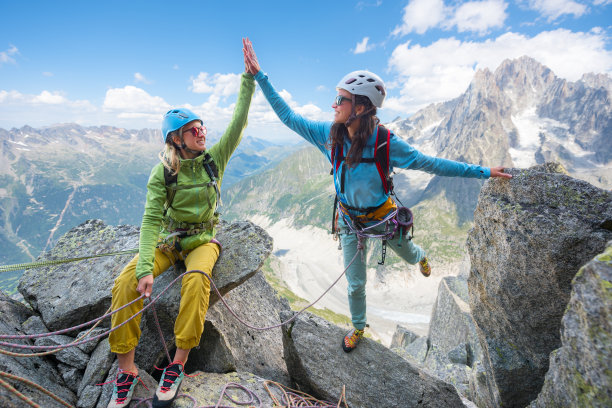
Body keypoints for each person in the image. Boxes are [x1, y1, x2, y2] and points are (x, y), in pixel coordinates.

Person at [242, 38, 511, 353]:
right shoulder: (331, 136)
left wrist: (483, 172)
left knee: (409, 254)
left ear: (359, 107)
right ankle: (358, 328)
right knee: (356, 284)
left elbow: (432, 164)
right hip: (349, 223)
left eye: (340, 99)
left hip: (383, 219)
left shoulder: (386, 143)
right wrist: (260, 76)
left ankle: (421, 255)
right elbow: (289, 118)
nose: (333, 104)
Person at [106, 51, 256, 408]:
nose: (201, 131)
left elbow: (238, 122)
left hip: (203, 238)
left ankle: (178, 364)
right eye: (193, 129)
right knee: (126, 282)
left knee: (197, 278)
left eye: (202, 126)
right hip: (169, 239)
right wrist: (144, 269)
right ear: (176, 139)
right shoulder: (163, 172)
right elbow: (150, 220)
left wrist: (248, 79)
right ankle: (125, 370)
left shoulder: (214, 160)